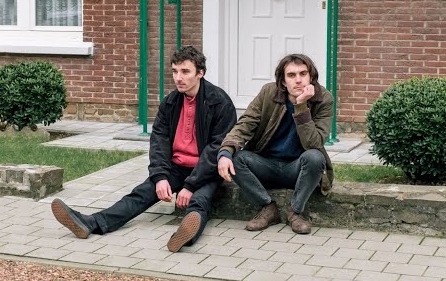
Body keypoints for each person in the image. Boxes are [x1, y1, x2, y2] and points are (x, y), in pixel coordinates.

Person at [50, 46, 236, 252]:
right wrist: (160, 177)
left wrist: (191, 186)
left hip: (206, 171)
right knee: (141, 194)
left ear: (200, 73)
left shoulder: (219, 102)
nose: (178, 78)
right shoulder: (170, 102)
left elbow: (216, 147)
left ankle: (184, 236)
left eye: (185, 72)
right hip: (176, 168)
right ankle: (91, 223)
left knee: (200, 200)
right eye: (174, 71)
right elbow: (159, 142)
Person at [217, 53, 334, 235]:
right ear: (283, 81)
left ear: (311, 77)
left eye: (303, 74)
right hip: (265, 166)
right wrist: (225, 151)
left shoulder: (323, 99)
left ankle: (295, 212)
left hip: (298, 169)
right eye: (291, 75)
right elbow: (245, 124)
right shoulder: (268, 93)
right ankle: (267, 208)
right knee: (236, 158)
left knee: (315, 157)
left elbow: (313, 143)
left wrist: (301, 106)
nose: (298, 80)